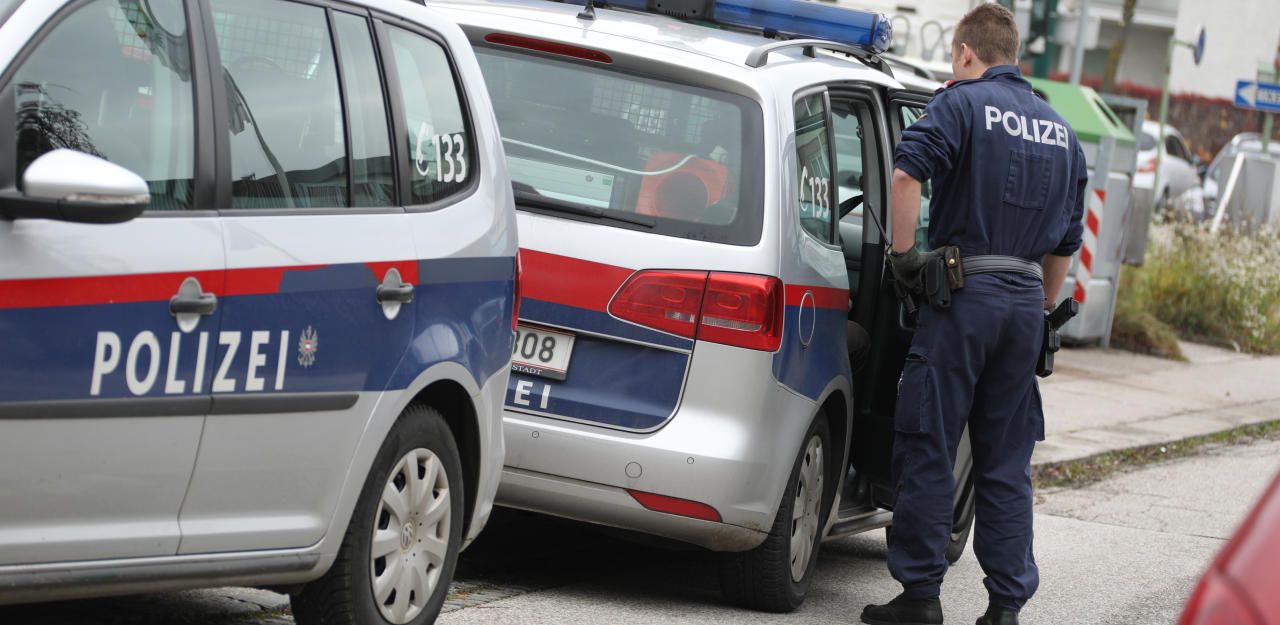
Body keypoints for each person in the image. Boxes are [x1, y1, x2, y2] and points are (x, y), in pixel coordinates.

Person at [859, 5, 1087, 625]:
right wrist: (1038, 312)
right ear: (1014, 53)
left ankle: (920, 599)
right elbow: (1065, 243)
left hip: (963, 300)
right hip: (1021, 305)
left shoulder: (960, 103)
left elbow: (907, 174)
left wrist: (904, 260)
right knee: (1006, 462)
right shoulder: (1062, 133)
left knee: (931, 444)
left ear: (964, 53)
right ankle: (1006, 608)